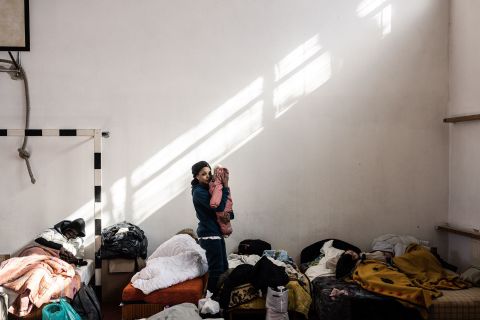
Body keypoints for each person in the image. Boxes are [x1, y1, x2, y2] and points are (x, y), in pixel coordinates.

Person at [191, 161, 230, 294]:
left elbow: (221, 210)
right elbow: (218, 207)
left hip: (215, 233)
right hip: (209, 234)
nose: (208, 176)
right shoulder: (198, 192)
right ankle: (210, 301)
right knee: (216, 270)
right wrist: (225, 187)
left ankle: (218, 300)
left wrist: (229, 216)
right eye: (203, 174)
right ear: (196, 176)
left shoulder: (208, 189)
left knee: (224, 267)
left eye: (209, 173)